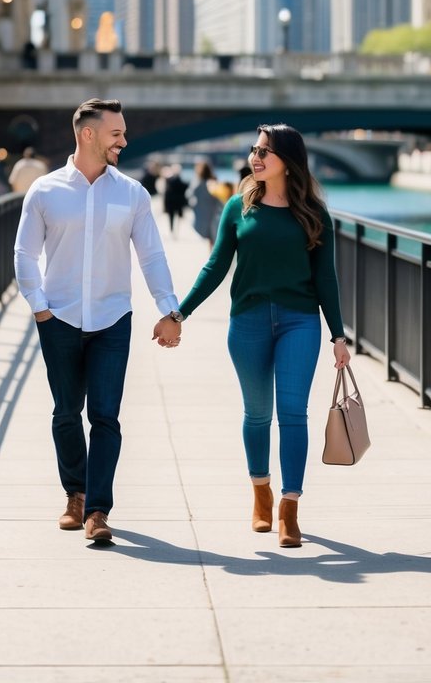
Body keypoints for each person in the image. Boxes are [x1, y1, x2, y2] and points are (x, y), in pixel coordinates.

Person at [154, 123, 351, 548]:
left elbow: (326, 280)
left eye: (265, 152)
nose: (255, 158)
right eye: (254, 150)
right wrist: (178, 313)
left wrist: (338, 335)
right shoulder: (238, 208)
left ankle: (289, 508)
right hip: (248, 322)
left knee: (293, 413)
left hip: (300, 322)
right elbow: (215, 268)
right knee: (258, 414)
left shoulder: (315, 215)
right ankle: (260, 493)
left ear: (288, 160)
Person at [14, 98, 181, 544]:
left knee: (105, 417)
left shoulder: (132, 193)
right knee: (66, 413)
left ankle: (96, 511)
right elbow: (24, 253)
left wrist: (170, 309)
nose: (124, 141)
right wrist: (40, 307)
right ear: (88, 134)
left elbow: (151, 255)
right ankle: (75, 492)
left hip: (112, 319)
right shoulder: (46, 191)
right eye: (116, 133)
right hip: (60, 318)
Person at [190, 160, 222, 252]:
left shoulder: (198, 182)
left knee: (210, 234)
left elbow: (191, 195)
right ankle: (212, 253)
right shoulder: (213, 181)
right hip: (214, 211)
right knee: (213, 234)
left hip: (204, 212)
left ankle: (211, 253)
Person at [162, 164, 189, 236]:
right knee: (177, 217)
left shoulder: (168, 180)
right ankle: (175, 231)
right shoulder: (181, 181)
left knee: (171, 217)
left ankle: (172, 231)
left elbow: (166, 193)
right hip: (178, 203)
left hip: (171, 202)